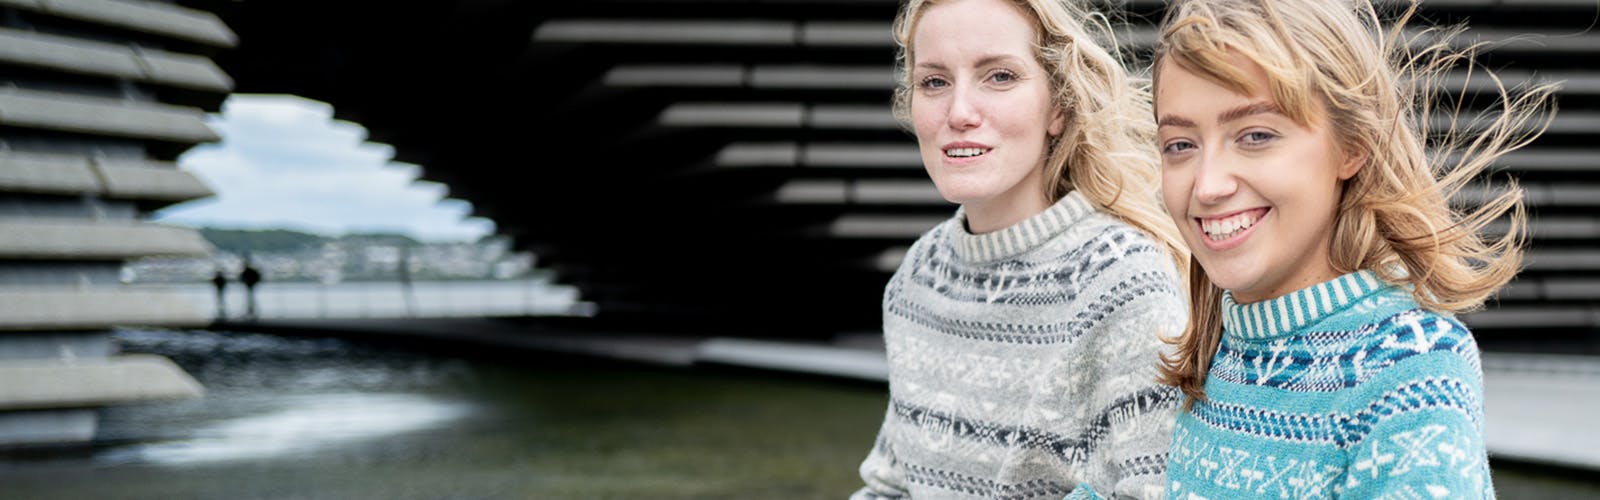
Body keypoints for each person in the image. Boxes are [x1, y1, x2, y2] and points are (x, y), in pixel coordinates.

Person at [1151, 1, 1558, 497]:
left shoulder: (1412, 368)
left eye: (1256, 135)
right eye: (1179, 145)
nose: (1208, 185)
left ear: (1352, 145)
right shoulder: (1214, 351)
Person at [851, 0, 1188, 497]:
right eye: (935, 82)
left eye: (999, 77)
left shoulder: (1122, 281)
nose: (959, 112)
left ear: (1058, 106)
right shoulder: (920, 274)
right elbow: (892, 485)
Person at [240, 255, 263, 320]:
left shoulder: (248, 271)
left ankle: (251, 312)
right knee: (250, 299)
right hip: (250, 286)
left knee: (250, 300)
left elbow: (242, 278)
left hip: (250, 286)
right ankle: (251, 312)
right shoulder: (250, 271)